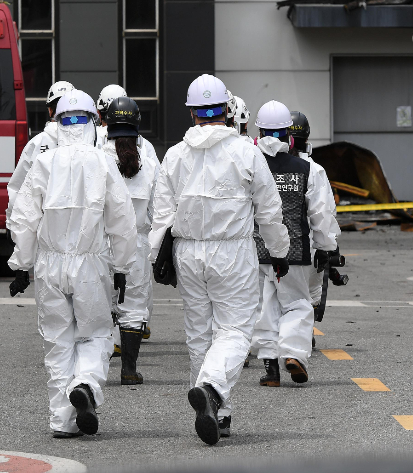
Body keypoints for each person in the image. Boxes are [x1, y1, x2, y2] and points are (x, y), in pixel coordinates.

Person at [149, 74, 290, 445]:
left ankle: (218, 413)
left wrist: (155, 258)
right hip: (232, 252)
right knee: (237, 329)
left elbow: (161, 214)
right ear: (227, 111)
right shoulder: (247, 152)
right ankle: (211, 390)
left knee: (200, 333)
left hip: (188, 252)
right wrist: (279, 252)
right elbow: (270, 211)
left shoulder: (176, 155)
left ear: (193, 113)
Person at [8, 90, 137, 439]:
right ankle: (85, 385)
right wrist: (123, 267)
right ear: (93, 122)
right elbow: (122, 221)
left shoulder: (44, 162)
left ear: (58, 122)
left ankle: (61, 421)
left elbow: (23, 217)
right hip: (90, 264)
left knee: (57, 341)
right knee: (95, 333)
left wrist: (22, 264)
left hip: (49, 265)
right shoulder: (102, 162)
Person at [249, 101, 338, 387]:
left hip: (255, 250)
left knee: (265, 307)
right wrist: (326, 247)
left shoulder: (249, 163)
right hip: (295, 251)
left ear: (259, 130)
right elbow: (321, 213)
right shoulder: (307, 168)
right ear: (289, 134)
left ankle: (270, 369)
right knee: (298, 304)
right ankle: (294, 354)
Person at [101, 97, 160, 385]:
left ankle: (94, 370)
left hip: (100, 244)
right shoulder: (147, 163)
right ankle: (129, 369)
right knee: (134, 306)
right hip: (137, 244)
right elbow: (159, 210)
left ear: (106, 123)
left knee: (99, 305)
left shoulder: (96, 157)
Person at [288, 111, 341, 309]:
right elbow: (324, 213)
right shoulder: (314, 170)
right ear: (306, 137)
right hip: (306, 247)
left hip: (270, 249)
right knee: (307, 300)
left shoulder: (268, 165)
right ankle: (303, 335)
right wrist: (327, 247)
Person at [6, 81, 74, 228]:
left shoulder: (36, 144)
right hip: (84, 234)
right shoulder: (92, 144)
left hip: (44, 231)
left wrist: (12, 223)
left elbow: (18, 188)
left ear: (50, 111)